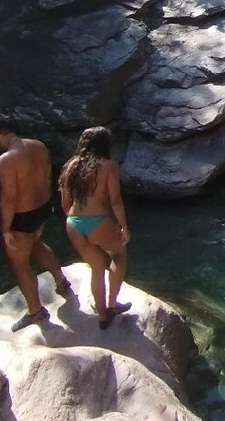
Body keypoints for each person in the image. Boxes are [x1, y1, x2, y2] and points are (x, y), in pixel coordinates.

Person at [0, 115, 72, 332]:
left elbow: (9, 198)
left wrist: (5, 229)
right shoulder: (38, 146)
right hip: (42, 207)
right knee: (36, 243)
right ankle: (62, 282)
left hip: (21, 216)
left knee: (20, 264)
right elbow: (49, 177)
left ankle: (36, 312)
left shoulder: (6, 160)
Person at [58, 126, 131, 329]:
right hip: (97, 220)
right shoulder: (109, 166)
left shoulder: (70, 165)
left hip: (73, 223)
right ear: (105, 145)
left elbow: (65, 201)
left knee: (97, 267)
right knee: (119, 255)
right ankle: (113, 304)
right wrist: (124, 226)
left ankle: (102, 316)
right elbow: (115, 201)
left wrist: (75, 220)